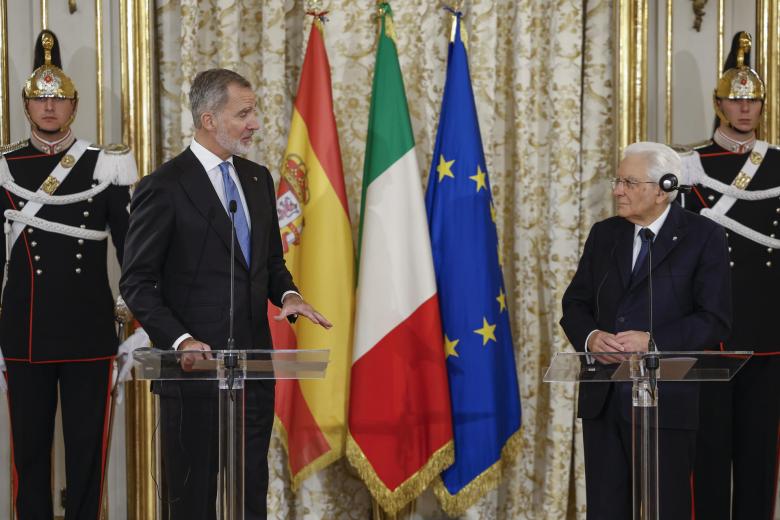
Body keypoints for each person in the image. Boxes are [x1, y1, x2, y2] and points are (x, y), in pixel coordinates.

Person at [119, 68, 331, 520]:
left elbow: (271, 263)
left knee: (250, 496)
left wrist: (289, 295)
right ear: (209, 119)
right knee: (193, 501)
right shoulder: (165, 186)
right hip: (194, 374)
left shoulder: (256, 179)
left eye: (253, 112)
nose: (255, 123)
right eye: (244, 113)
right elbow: (136, 281)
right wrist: (180, 341)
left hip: (252, 373)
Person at [0, 30, 135, 518]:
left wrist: (131, 312)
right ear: (26, 105)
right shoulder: (5, 168)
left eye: (58, 100)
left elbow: (132, 249)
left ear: (75, 106)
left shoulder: (107, 165)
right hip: (25, 333)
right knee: (30, 457)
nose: (49, 108)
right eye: (40, 99)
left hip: (88, 333)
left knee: (87, 457)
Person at [560, 141, 732, 519]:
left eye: (629, 182)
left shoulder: (703, 237)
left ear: (663, 188)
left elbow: (715, 318)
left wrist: (654, 342)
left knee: (665, 508)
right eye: (618, 180)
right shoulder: (604, 234)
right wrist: (591, 337)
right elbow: (574, 304)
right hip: (603, 398)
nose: (618, 190)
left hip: (666, 402)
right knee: (606, 510)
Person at [679, 31, 780, 520]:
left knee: (761, 465)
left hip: (769, 335)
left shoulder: (779, 164)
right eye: (735, 101)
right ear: (719, 105)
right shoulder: (689, 166)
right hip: (710, 336)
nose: (745, 110)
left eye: (753, 101)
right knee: (709, 462)